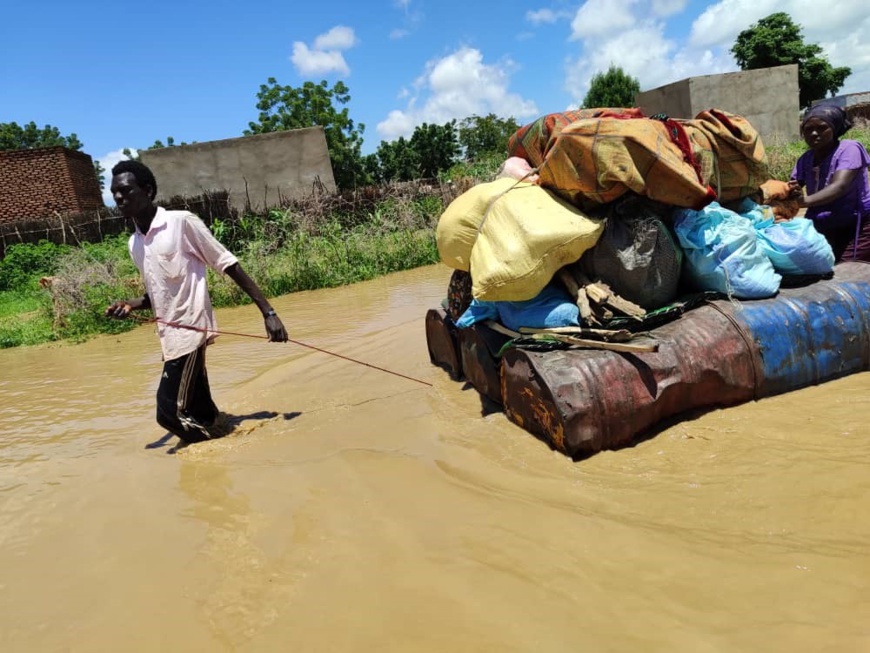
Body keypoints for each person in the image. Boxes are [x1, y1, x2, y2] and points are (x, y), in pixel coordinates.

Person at [106, 160, 288, 444]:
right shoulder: (135, 244)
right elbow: (155, 294)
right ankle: (229, 437)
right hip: (168, 337)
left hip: (190, 333)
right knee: (202, 413)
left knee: (168, 414)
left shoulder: (181, 223)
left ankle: (219, 449)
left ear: (148, 190)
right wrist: (129, 304)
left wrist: (269, 312)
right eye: (114, 192)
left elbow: (227, 263)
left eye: (126, 190)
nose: (118, 197)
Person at [789, 104, 870, 261]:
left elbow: (839, 186)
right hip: (825, 225)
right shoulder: (805, 159)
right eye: (808, 129)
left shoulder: (850, 149)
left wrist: (804, 201)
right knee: (813, 265)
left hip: (858, 225)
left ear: (834, 128)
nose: (813, 133)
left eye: (821, 128)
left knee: (846, 271)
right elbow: (789, 187)